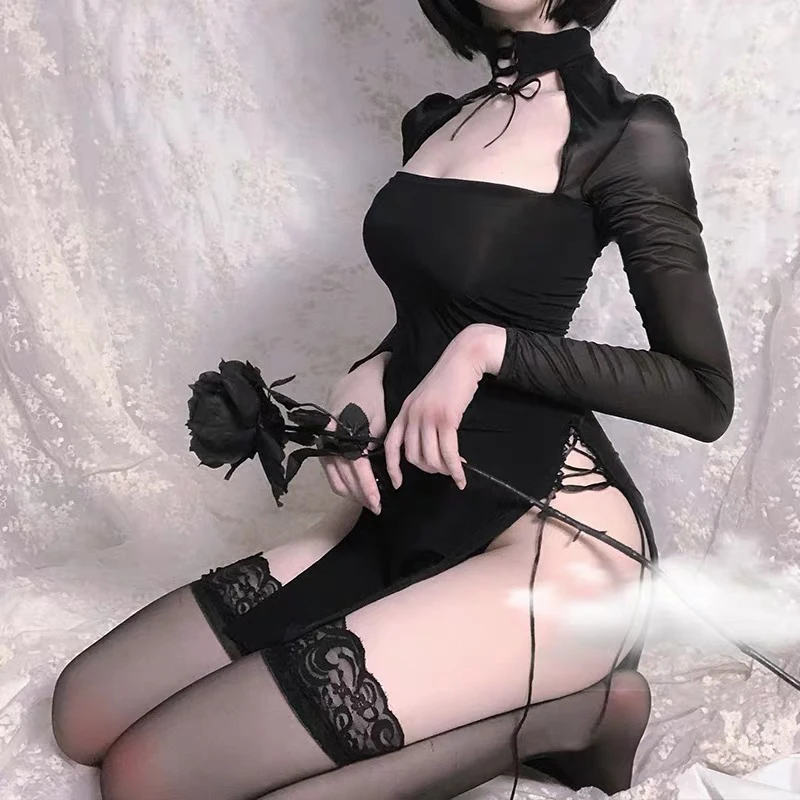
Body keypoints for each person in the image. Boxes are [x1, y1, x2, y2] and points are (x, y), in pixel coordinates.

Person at [50, 1, 735, 798]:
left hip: (551, 538)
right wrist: (369, 371)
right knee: (82, 713)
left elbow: (703, 392)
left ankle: (576, 715)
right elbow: (433, 307)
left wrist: (487, 348)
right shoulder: (438, 121)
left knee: (148, 779)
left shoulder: (626, 132)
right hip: (408, 508)